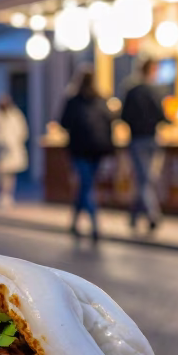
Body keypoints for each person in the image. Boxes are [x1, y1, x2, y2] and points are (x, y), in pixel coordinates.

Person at [60, 68, 114, 241]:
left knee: (85, 186)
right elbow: (110, 123)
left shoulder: (74, 101)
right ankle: (78, 222)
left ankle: (93, 224)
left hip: (80, 149)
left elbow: (64, 123)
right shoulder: (102, 101)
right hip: (98, 150)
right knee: (87, 185)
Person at [121, 58, 168, 232]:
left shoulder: (131, 91)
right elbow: (162, 116)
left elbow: (123, 116)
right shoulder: (155, 91)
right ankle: (152, 214)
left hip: (136, 139)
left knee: (143, 179)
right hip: (151, 139)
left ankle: (136, 215)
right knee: (146, 178)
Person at [0, 95, 29, 208]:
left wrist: (15, 141)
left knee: (10, 174)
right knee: (0, 173)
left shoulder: (16, 115)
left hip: (13, 150)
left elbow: (23, 131)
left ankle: (8, 194)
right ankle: (1, 193)